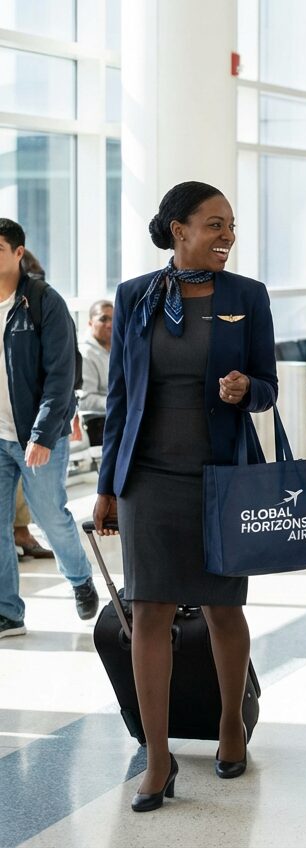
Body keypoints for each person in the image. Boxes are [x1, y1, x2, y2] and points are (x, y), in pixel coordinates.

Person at [92, 182, 278, 811]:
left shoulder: (247, 296)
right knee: (149, 612)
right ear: (179, 230)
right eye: (215, 224)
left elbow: (269, 387)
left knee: (224, 607)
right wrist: (107, 486)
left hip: (222, 477)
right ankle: (158, 756)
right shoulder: (136, 296)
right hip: (148, 479)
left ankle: (231, 723)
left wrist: (245, 389)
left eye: (231, 226)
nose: (228, 236)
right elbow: (120, 396)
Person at [0, 218, 98, 640]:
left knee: (50, 517)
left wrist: (41, 434)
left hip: (37, 435)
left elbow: (61, 376)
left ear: (18, 253)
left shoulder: (43, 302)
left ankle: (80, 578)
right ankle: (8, 613)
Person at [78, 300, 113, 446]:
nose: (110, 324)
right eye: (103, 319)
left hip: (114, 417)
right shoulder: (85, 353)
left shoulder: (117, 349)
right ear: (90, 323)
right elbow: (84, 400)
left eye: (114, 319)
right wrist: (119, 402)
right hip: (96, 423)